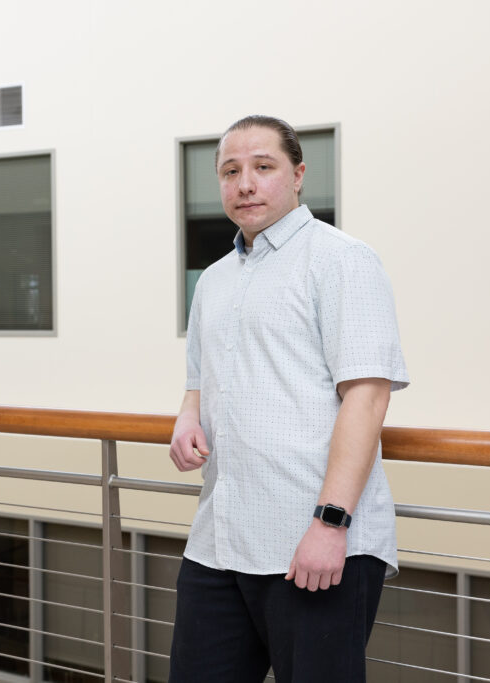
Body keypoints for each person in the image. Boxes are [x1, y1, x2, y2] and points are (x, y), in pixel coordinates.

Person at [168, 115, 409, 682]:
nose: (245, 183)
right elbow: (198, 378)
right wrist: (187, 417)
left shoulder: (342, 260)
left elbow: (368, 398)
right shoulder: (215, 279)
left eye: (263, 167)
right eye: (231, 171)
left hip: (316, 542)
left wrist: (330, 523)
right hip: (220, 538)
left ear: (298, 175)